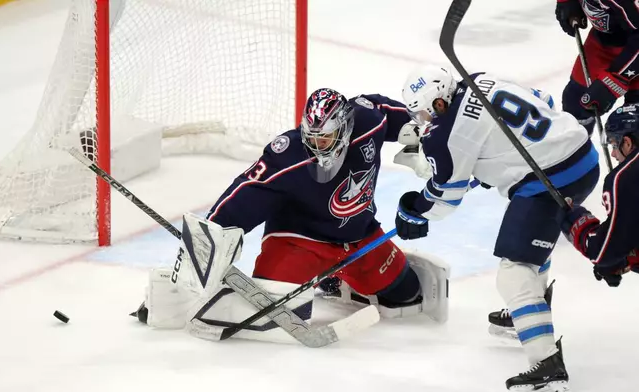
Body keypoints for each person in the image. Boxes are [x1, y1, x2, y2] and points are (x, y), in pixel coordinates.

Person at [133, 88, 451, 342]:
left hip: (359, 236)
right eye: (311, 137)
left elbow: (398, 116)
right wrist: (197, 255)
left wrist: (424, 135)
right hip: (299, 241)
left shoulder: (369, 122)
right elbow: (239, 198)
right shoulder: (288, 157)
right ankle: (313, 275)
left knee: (407, 295)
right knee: (273, 311)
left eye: (324, 138)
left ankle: (335, 281)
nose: (317, 147)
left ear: (345, 128)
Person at [398, 65, 600, 391]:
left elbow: (445, 198)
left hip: (548, 179)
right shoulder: (479, 79)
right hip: (582, 156)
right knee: (530, 235)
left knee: (514, 271)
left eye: (423, 112)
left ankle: (546, 365)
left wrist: (413, 210)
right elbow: (542, 99)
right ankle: (529, 311)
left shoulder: (445, 133)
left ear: (438, 103)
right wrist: (490, 161)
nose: (423, 121)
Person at [558, 104, 639, 286]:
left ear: (627, 142)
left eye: (613, 143)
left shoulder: (624, 176)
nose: (613, 153)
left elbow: (603, 251)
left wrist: (578, 222)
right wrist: (629, 258)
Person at [556, 0, 639, 135]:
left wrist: (616, 78)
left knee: (634, 125)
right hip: (605, 43)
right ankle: (578, 151)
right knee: (576, 103)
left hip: (634, 48)